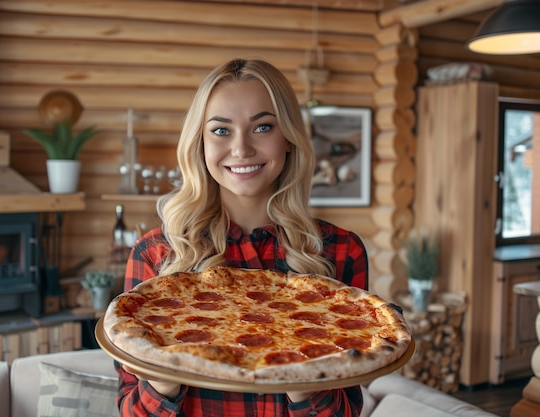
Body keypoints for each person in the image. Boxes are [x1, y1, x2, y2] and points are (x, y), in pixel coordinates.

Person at [115, 58, 369, 417]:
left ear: (289, 139)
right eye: (221, 130)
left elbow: (346, 412)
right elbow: (129, 410)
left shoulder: (341, 251)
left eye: (262, 127)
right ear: (199, 143)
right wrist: (163, 379)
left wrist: (303, 372)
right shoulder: (157, 253)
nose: (241, 148)